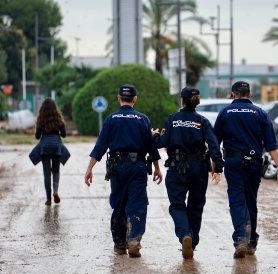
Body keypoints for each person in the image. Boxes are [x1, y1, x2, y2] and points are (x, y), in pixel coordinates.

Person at [84, 84, 163, 258]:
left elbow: (100, 146)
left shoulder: (111, 119)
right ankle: (134, 240)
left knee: (119, 204)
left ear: (118, 98)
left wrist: (89, 168)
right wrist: (157, 168)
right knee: (137, 203)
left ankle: (120, 244)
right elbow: (151, 147)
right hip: (137, 168)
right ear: (135, 99)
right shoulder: (143, 119)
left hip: (117, 167)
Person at [213, 81, 278, 258]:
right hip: (253, 162)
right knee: (250, 201)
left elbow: (215, 142)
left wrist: (215, 165)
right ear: (249, 94)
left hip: (233, 161)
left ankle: (241, 239)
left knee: (237, 200)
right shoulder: (260, 113)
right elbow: (271, 145)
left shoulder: (225, 112)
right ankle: (251, 241)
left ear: (233, 94)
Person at [152, 87, 224, 259]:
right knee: (196, 206)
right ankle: (193, 242)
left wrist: (153, 135)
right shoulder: (202, 121)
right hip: (199, 167)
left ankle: (185, 235)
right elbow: (214, 145)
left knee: (177, 205)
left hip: (177, 168)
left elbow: (162, 142)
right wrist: (218, 167)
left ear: (182, 101)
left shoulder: (173, 119)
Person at [31, 98, 70, 206]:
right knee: (56, 171)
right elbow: (64, 135)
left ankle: (48, 199)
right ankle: (55, 191)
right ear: (55, 109)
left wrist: (40, 129)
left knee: (46, 174)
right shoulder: (59, 120)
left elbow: (37, 136)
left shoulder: (40, 120)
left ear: (42, 109)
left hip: (45, 148)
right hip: (56, 147)